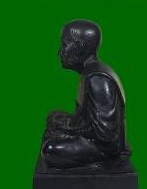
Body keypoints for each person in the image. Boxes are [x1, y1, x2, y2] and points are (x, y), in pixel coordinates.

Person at [42, 20, 131, 168]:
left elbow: (106, 135)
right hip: (93, 135)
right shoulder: (89, 73)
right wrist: (67, 122)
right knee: (53, 117)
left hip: (104, 149)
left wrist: (67, 128)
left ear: (79, 48)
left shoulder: (97, 78)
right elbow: (86, 118)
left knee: (50, 149)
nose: (59, 52)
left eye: (64, 45)